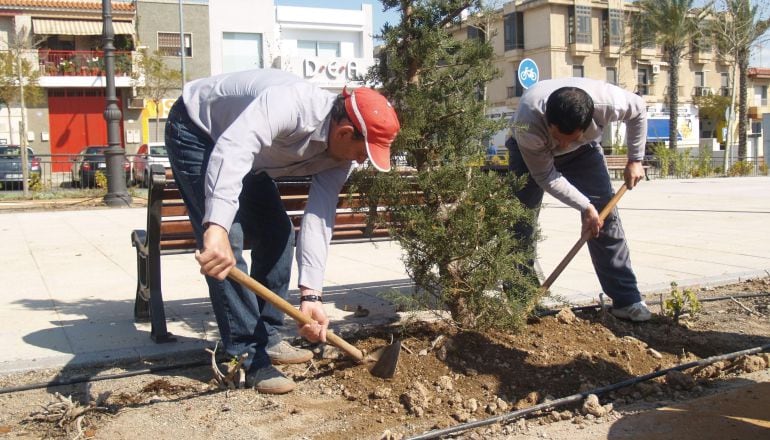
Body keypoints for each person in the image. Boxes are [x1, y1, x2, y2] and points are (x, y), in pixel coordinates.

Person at [165, 68, 400, 394]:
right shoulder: (291, 105)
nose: (362, 161)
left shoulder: (339, 157)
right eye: (364, 152)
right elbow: (233, 148)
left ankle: (268, 335)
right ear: (345, 133)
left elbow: (319, 218)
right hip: (199, 132)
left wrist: (311, 296)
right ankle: (247, 354)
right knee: (228, 243)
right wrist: (215, 227)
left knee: (279, 233)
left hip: (251, 157)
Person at [509, 77, 651, 322]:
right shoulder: (529, 123)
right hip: (529, 156)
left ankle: (626, 300)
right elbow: (546, 175)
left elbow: (638, 109)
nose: (563, 145)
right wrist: (585, 206)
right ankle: (522, 302)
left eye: (571, 137)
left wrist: (635, 159)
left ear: (589, 122)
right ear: (548, 121)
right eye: (558, 136)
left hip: (584, 153)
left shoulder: (607, 103)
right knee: (520, 223)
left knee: (606, 220)